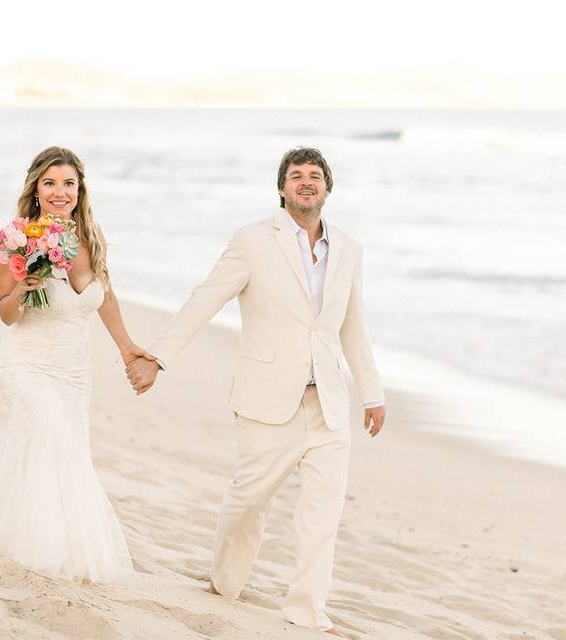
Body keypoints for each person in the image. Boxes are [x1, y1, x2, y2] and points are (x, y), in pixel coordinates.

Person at [126, 147, 386, 634]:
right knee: (249, 502)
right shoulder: (251, 241)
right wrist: (159, 356)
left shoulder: (350, 249)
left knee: (321, 516)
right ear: (282, 189)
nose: (306, 182)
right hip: (267, 401)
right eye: (295, 176)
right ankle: (226, 582)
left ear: (328, 188)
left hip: (327, 403)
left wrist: (371, 393)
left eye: (315, 176)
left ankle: (307, 611)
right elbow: (206, 297)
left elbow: (353, 326)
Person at [0, 147, 145, 582]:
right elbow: (6, 314)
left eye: (68, 183)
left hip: (74, 371)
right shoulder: (17, 239)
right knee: (53, 439)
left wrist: (126, 348)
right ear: (36, 189)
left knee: (51, 447)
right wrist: (24, 287)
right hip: (26, 363)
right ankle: (44, 547)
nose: (60, 192)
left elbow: (105, 298)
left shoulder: (92, 236)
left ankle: (37, 528)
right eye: (50, 183)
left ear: (80, 189)